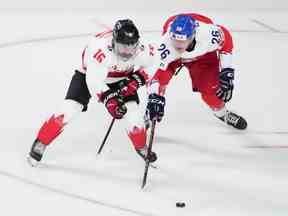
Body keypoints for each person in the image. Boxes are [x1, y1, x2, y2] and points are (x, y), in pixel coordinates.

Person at [28, 19, 157, 166]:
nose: (127, 52)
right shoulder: (99, 48)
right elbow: (94, 81)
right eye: (122, 47)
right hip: (87, 76)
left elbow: (155, 65)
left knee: (134, 118)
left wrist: (138, 79)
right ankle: (41, 142)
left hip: (122, 80)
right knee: (68, 110)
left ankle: (141, 146)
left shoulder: (143, 49)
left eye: (131, 47)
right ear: (114, 42)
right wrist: (110, 101)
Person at [145, 13, 248, 130]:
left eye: (183, 41)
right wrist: (153, 97)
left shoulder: (209, 35)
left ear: (193, 35)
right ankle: (149, 113)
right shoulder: (164, 46)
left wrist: (226, 70)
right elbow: (152, 75)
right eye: (175, 40)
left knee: (211, 91)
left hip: (203, 56)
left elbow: (226, 40)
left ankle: (222, 113)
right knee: (160, 81)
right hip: (174, 58)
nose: (178, 45)